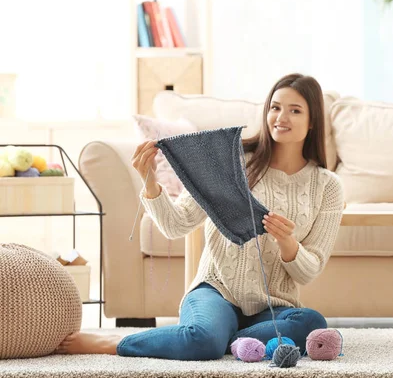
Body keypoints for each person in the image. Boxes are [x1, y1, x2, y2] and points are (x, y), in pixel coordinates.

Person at [55, 73, 345, 360]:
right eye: (275, 107)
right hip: (216, 292)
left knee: (311, 323)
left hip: (273, 309)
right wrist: (151, 182)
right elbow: (175, 224)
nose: (281, 117)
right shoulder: (231, 163)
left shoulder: (327, 185)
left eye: (295, 110)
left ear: (312, 121)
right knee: (204, 340)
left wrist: (288, 243)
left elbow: (310, 270)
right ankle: (117, 342)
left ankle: (221, 339)